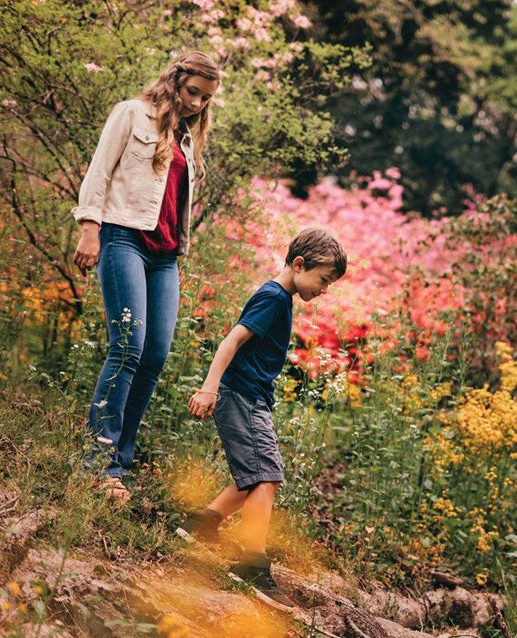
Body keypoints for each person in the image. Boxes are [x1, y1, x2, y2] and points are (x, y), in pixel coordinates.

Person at [71, 51, 221, 501]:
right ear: (175, 80)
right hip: (123, 240)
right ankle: (98, 464)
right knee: (128, 346)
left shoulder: (186, 140)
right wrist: (89, 228)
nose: (197, 103)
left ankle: (121, 460)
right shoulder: (131, 113)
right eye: (192, 92)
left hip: (165, 257)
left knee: (154, 354)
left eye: (206, 98)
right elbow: (100, 170)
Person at [180, 227, 347, 609]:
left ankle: (199, 525)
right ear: (299, 264)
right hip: (241, 395)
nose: (325, 290)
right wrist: (209, 388)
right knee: (267, 477)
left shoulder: (280, 298)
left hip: (250, 396)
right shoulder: (273, 296)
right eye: (323, 280)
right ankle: (251, 565)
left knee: (255, 475)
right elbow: (231, 341)